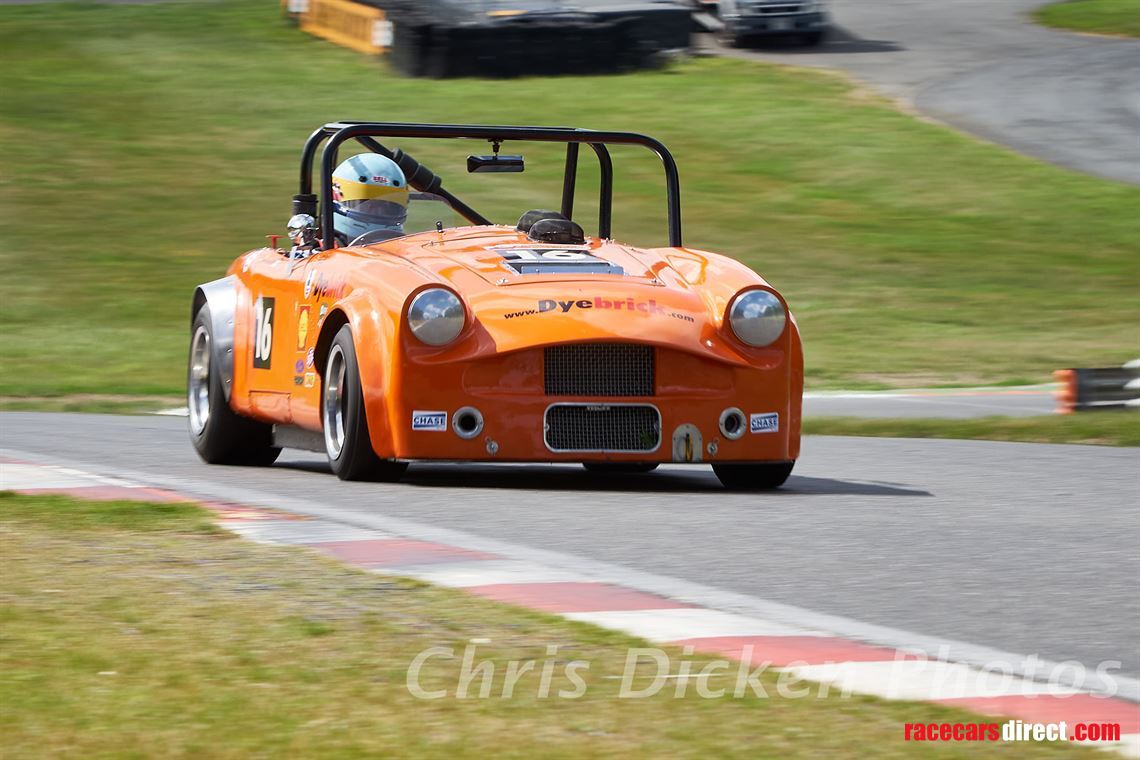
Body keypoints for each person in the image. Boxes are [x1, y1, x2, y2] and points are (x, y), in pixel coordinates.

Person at [331, 153, 409, 245]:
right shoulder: (322, 253)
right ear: (336, 196)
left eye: (387, 208)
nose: (378, 212)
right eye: (368, 205)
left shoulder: (405, 252)